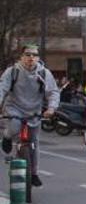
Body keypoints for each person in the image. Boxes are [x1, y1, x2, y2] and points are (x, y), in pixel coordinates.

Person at [0, 45, 60, 186]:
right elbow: (2, 88)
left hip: (34, 112)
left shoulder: (44, 73)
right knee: (14, 128)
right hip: (14, 108)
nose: (31, 57)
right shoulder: (12, 72)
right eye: (27, 54)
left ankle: (34, 173)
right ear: (21, 57)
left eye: (34, 55)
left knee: (34, 142)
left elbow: (53, 92)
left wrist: (51, 108)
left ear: (38, 58)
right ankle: (7, 137)